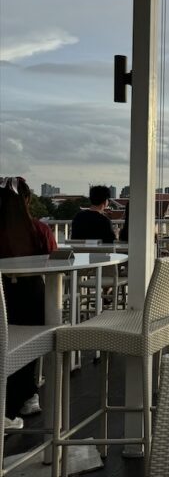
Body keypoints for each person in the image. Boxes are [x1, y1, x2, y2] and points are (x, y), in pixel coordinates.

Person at [0, 176, 57, 430]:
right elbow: (54, 261)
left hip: (3, 298)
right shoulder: (39, 230)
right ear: (27, 200)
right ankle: (26, 395)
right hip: (30, 297)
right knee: (30, 342)